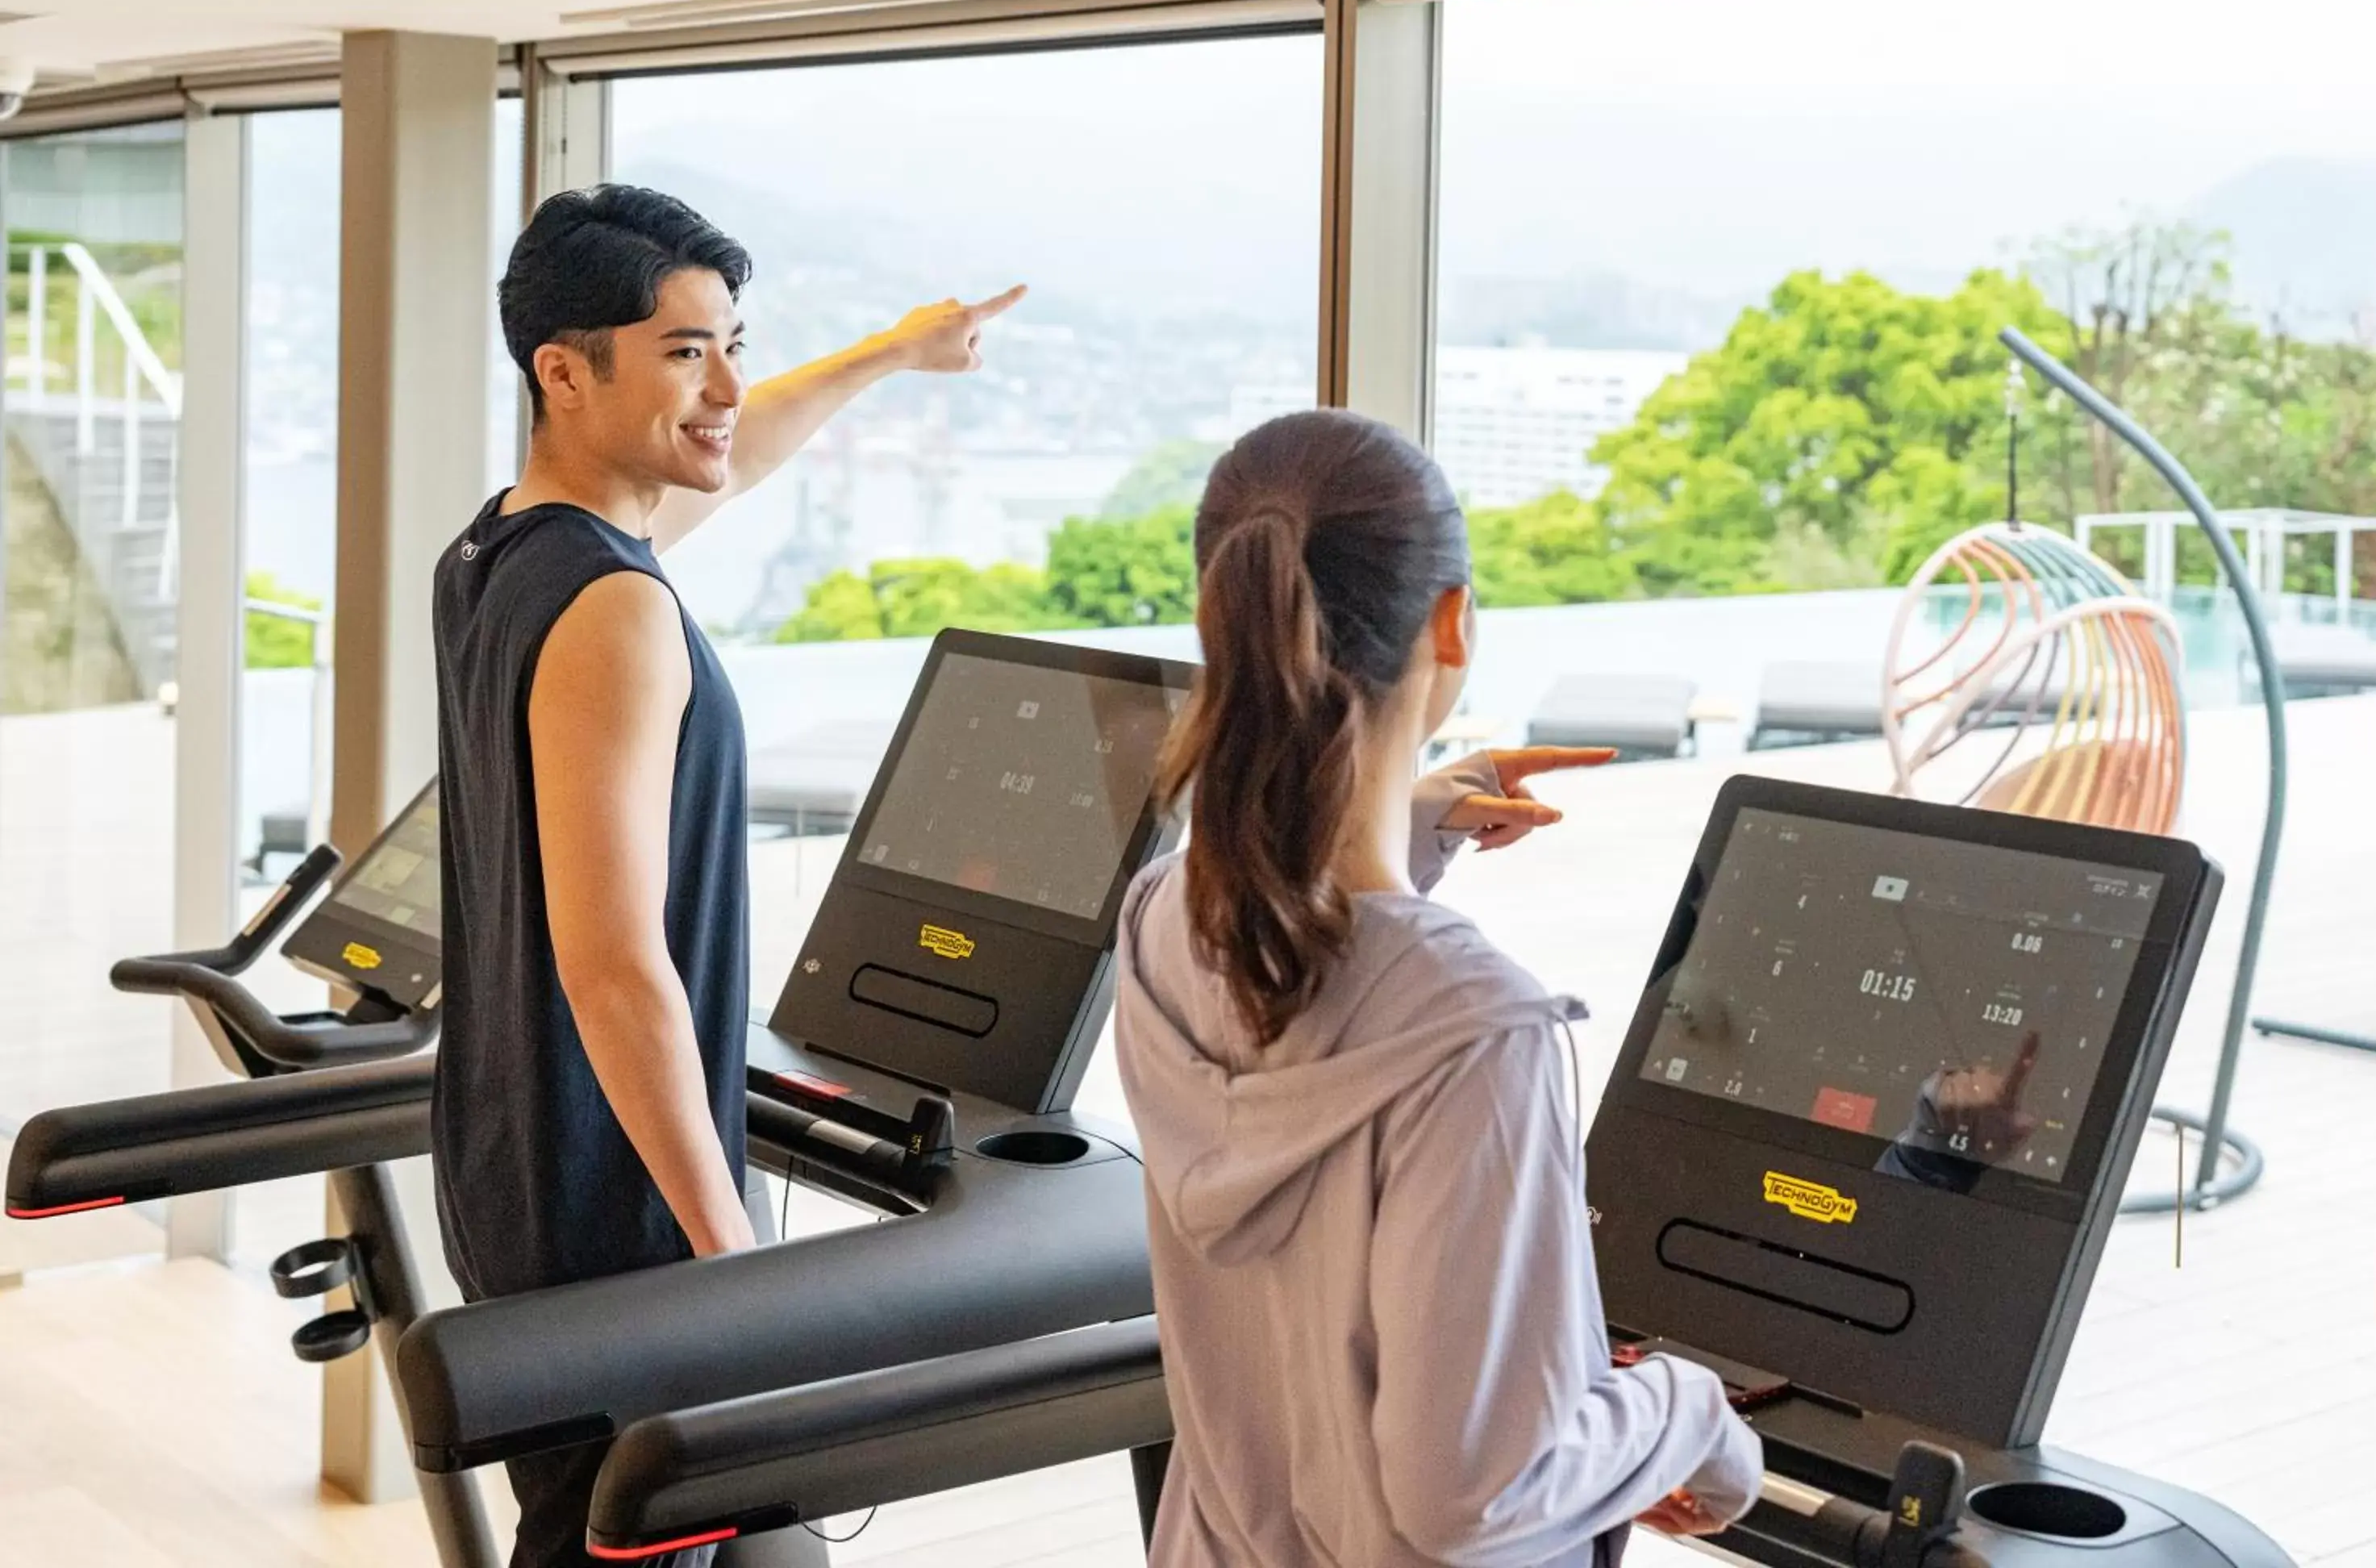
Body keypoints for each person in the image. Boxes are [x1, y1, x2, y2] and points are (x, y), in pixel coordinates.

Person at [431, 182, 1020, 1567]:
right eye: (686, 352)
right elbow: (615, 963)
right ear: (563, 373)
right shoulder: (618, 613)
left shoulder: (501, 551)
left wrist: (892, 352)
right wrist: (732, 1256)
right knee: (621, 1538)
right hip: (613, 1195)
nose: (725, 385)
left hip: (515, 1152)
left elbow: (733, 453)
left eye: (732, 342)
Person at [1115, 409, 1764, 1566]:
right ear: (1451, 623)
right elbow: (1476, 1490)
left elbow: (1303, 970)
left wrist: (1408, 820)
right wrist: (1690, 1420)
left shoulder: (1165, 920)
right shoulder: (1475, 1035)